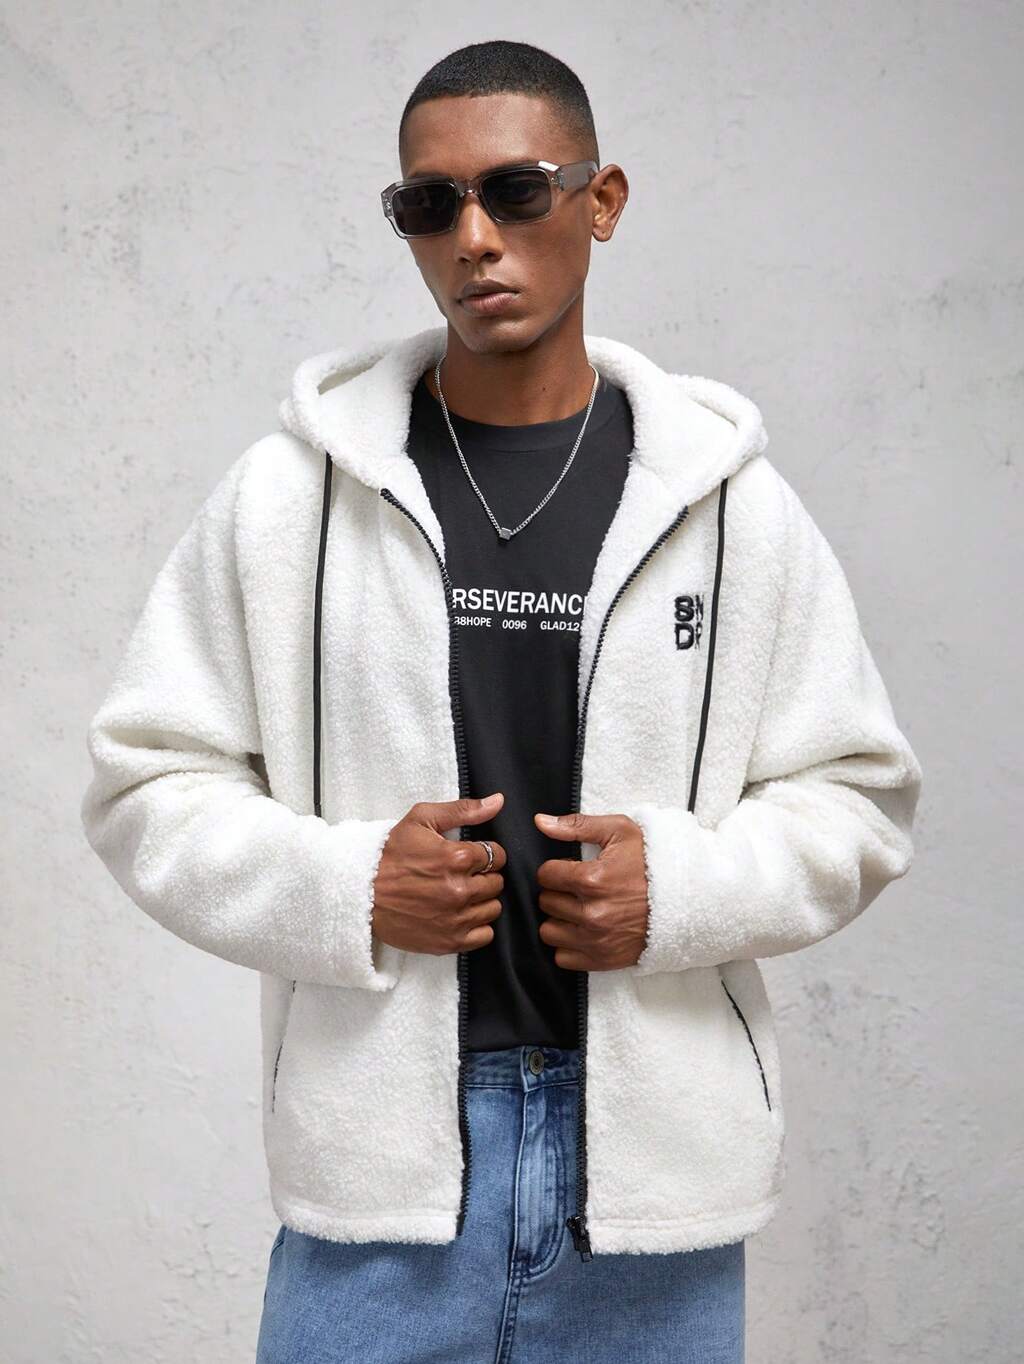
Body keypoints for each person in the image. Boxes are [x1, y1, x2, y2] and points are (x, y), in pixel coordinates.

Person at [80, 38, 922, 1364]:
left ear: (602, 199)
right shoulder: (292, 496)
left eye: (517, 191)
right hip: (380, 1189)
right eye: (430, 204)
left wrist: (683, 890)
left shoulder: (728, 507)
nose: (473, 238)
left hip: (651, 1190)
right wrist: (353, 886)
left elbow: (859, 797)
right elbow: (145, 783)